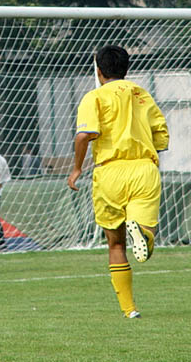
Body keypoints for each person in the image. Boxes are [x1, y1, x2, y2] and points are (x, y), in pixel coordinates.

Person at [67, 45, 168, 319]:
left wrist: (76, 169)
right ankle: (145, 235)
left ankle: (129, 309)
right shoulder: (142, 93)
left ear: (99, 71)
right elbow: (160, 136)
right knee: (144, 230)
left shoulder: (94, 97)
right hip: (143, 169)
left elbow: (84, 135)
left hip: (109, 171)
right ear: (126, 69)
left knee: (116, 244)